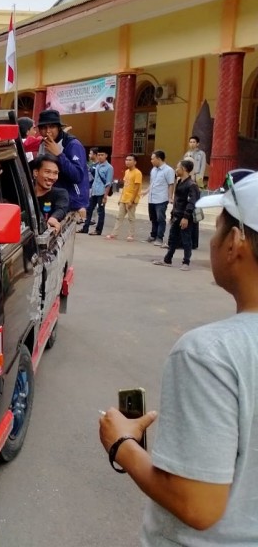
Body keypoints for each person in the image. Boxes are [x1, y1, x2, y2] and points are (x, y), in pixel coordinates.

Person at [98, 170, 258, 546]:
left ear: (235, 242)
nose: (213, 241)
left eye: (217, 229)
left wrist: (122, 444)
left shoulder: (209, 354)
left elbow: (197, 504)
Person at [36, 109, 89, 219]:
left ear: (58, 128)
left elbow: (78, 176)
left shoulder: (72, 145)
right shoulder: (43, 144)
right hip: (52, 198)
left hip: (72, 203)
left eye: (51, 127)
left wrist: (59, 155)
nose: (48, 131)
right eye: (44, 128)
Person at [153, 159, 199, 271]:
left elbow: (191, 203)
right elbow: (177, 200)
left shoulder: (192, 185)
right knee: (173, 239)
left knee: (186, 239)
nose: (176, 169)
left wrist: (186, 217)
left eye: (178, 167)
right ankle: (167, 259)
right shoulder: (179, 182)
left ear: (183, 169)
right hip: (177, 215)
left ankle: (186, 262)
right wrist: (173, 214)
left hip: (185, 217)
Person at [105, 154, 142, 241]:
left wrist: (131, 200)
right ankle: (114, 234)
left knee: (131, 218)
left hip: (131, 200)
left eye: (130, 160)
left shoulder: (138, 173)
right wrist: (121, 198)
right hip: (124, 198)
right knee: (119, 217)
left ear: (135, 162)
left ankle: (131, 235)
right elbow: (125, 186)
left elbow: (136, 188)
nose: (127, 162)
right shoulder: (127, 172)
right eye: (126, 160)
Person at [142, 150, 175, 247]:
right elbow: (152, 183)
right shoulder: (153, 170)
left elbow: (171, 184)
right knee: (153, 218)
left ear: (159, 159)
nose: (151, 161)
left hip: (161, 198)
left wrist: (170, 197)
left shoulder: (168, 170)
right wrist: (146, 191)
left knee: (160, 218)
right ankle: (153, 235)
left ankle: (159, 238)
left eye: (152, 159)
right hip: (152, 197)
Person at [29, 153, 70, 232]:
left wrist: (54, 218)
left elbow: (61, 209)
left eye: (55, 173)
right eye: (47, 172)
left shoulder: (60, 193)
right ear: (36, 172)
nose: (51, 177)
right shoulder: (25, 195)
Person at [79, 150, 113, 235]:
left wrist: (105, 196)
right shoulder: (97, 166)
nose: (100, 156)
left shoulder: (109, 167)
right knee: (89, 209)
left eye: (102, 155)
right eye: (99, 155)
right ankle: (85, 228)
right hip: (94, 191)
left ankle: (98, 230)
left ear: (106, 155)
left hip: (102, 192)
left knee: (100, 211)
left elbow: (108, 183)